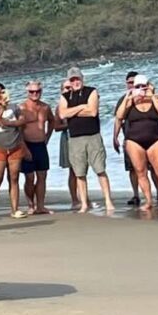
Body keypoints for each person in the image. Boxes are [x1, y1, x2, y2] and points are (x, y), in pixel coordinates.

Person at [58, 67, 114, 212]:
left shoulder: (92, 91)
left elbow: (93, 111)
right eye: (72, 80)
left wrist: (73, 111)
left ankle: (108, 201)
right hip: (75, 139)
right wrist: (82, 107)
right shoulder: (65, 97)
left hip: (93, 136)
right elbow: (62, 114)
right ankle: (83, 204)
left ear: (82, 79)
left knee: (100, 170)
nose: (75, 82)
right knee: (79, 173)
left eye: (77, 79)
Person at [115, 75, 158, 210]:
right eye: (138, 86)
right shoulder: (129, 101)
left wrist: (152, 95)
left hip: (154, 139)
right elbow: (119, 116)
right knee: (140, 172)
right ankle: (148, 201)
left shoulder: (156, 98)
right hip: (134, 141)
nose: (141, 89)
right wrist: (128, 97)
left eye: (144, 86)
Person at [0, 83, 29, 220]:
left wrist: (8, 123)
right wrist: (2, 109)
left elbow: (22, 121)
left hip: (15, 147)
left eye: (1, 92)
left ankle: (15, 209)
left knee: (14, 178)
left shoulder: (15, 107)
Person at [20, 80, 55, 215]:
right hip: (27, 145)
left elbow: (52, 121)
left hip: (41, 145)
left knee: (42, 176)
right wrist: (24, 148)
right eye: (32, 91)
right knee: (29, 177)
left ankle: (40, 206)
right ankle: (31, 204)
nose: (35, 94)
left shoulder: (45, 107)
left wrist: (47, 136)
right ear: (27, 92)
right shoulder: (21, 108)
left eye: (37, 91)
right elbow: (18, 130)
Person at [55, 80, 79, 209]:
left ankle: (84, 198)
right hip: (68, 138)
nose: (69, 90)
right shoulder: (59, 107)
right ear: (62, 91)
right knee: (73, 171)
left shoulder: (79, 103)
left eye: (70, 88)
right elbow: (56, 126)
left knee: (82, 170)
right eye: (66, 88)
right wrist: (71, 124)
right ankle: (75, 200)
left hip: (81, 137)